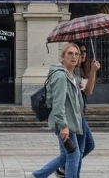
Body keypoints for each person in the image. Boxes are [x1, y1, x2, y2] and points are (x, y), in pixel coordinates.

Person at [26, 43, 84, 178]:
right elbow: (58, 103)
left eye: (76, 54)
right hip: (64, 122)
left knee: (66, 155)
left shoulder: (71, 75)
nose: (74, 56)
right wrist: (63, 126)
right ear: (63, 57)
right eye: (70, 53)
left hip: (69, 120)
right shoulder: (60, 76)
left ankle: (37, 176)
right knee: (73, 155)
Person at [55, 42, 100, 178]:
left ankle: (63, 169)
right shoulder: (69, 71)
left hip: (80, 113)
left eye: (82, 52)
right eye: (79, 52)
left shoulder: (80, 70)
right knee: (75, 152)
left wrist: (93, 71)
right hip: (73, 114)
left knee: (87, 146)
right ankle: (64, 171)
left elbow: (89, 90)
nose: (82, 55)